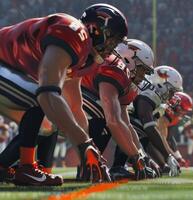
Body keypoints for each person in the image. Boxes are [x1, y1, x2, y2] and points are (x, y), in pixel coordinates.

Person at [0, 3, 128, 185]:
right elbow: (47, 93)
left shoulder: (84, 57)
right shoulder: (74, 32)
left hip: (8, 74)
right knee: (43, 100)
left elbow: (75, 107)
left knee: (49, 121)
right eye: (112, 39)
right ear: (96, 29)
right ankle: (26, 168)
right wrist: (84, 144)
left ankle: (8, 166)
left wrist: (90, 149)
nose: (112, 47)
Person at [110, 66, 183, 177]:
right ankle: (119, 165)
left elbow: (147, 139)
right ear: (161, 84)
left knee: (140, 127)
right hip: (111, 116)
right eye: (171, 91)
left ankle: (124, 164)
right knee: (139, 126)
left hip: (116, 117)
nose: (172, 95)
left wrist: (161, 164)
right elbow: (148, 129)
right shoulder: (150, 94)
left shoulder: (149, 94)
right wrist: (168, 156)